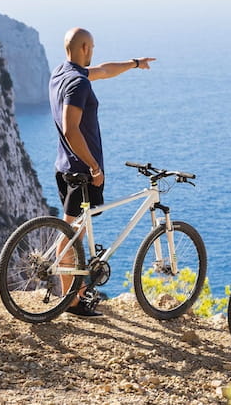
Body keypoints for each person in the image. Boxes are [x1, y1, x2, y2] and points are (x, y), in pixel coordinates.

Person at [49, 27, 155, 318]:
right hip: (82, 171)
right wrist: (94, 167)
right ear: (84, 48)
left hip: (64, 167)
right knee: (73, 235)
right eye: (92, 47)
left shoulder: (62, 72)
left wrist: (134, 63)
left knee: (72, 230)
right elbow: (72, 129)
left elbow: (104, 71)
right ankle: (72, 301)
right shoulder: (79, 85)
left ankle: (74, 295)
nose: (94, 52)